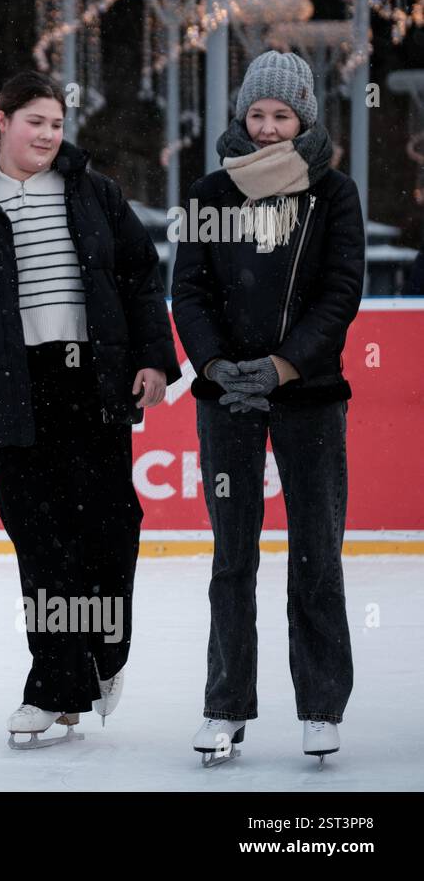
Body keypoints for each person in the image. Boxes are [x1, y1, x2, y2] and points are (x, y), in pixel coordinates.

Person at [0, 70, 181, 748]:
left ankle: (102, 655)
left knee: (111, 525)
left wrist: (154, 359)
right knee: (42, 541)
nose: (49, 135)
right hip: (6, 386)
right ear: (1, 121)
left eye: (57, 124)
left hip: (90, 383)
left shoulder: (94, 193)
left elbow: (141, 278)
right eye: (36, 122)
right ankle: (55, 688)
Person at [173, 50, 363, 765]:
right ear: (242, 116)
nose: (268, 127)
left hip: (310, 397)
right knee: (232, 556)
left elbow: (341, 291)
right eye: (257, 113)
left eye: (282, 115)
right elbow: (187, 290)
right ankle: (225, 707)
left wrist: (283, 365)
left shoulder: (333, 194)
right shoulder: (211, 193)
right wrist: (220, 366)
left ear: (304, 117)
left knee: (316, 551)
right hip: (227, 400)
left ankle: (320, 706)